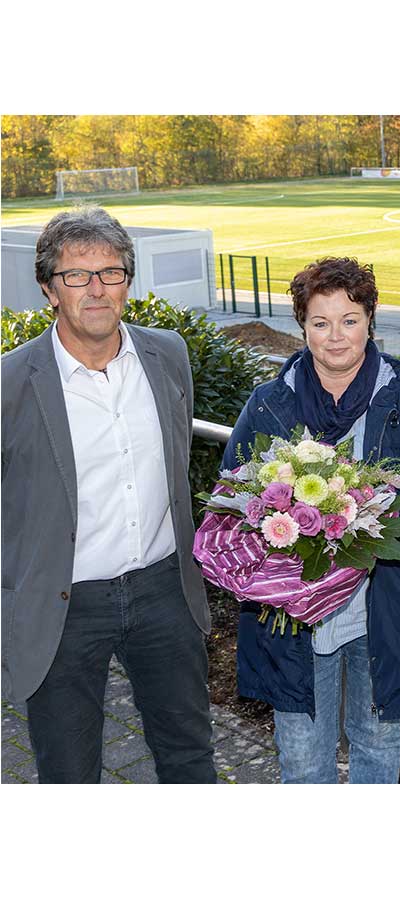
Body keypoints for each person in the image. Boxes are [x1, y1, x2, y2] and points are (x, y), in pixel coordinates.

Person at [1, 206, 215, 783]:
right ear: (49, 288)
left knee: (189, 755)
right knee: (70, 772)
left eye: (111, 272)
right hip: (64, 605)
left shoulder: (167, 354)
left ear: (128, 281)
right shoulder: (10, 382)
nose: (96, 290)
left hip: (164, 591)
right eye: (77, 276)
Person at [223, 257, 400, 784]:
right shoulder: (270, 403)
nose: (335, 337)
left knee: (377, 741)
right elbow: (233, 494)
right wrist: (289, 531)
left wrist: (363, 526)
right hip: (295, 613)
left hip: (382, 607)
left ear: (371, 320)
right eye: (320, 322)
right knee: (304, 755)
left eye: (349, 320)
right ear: (301, 326)